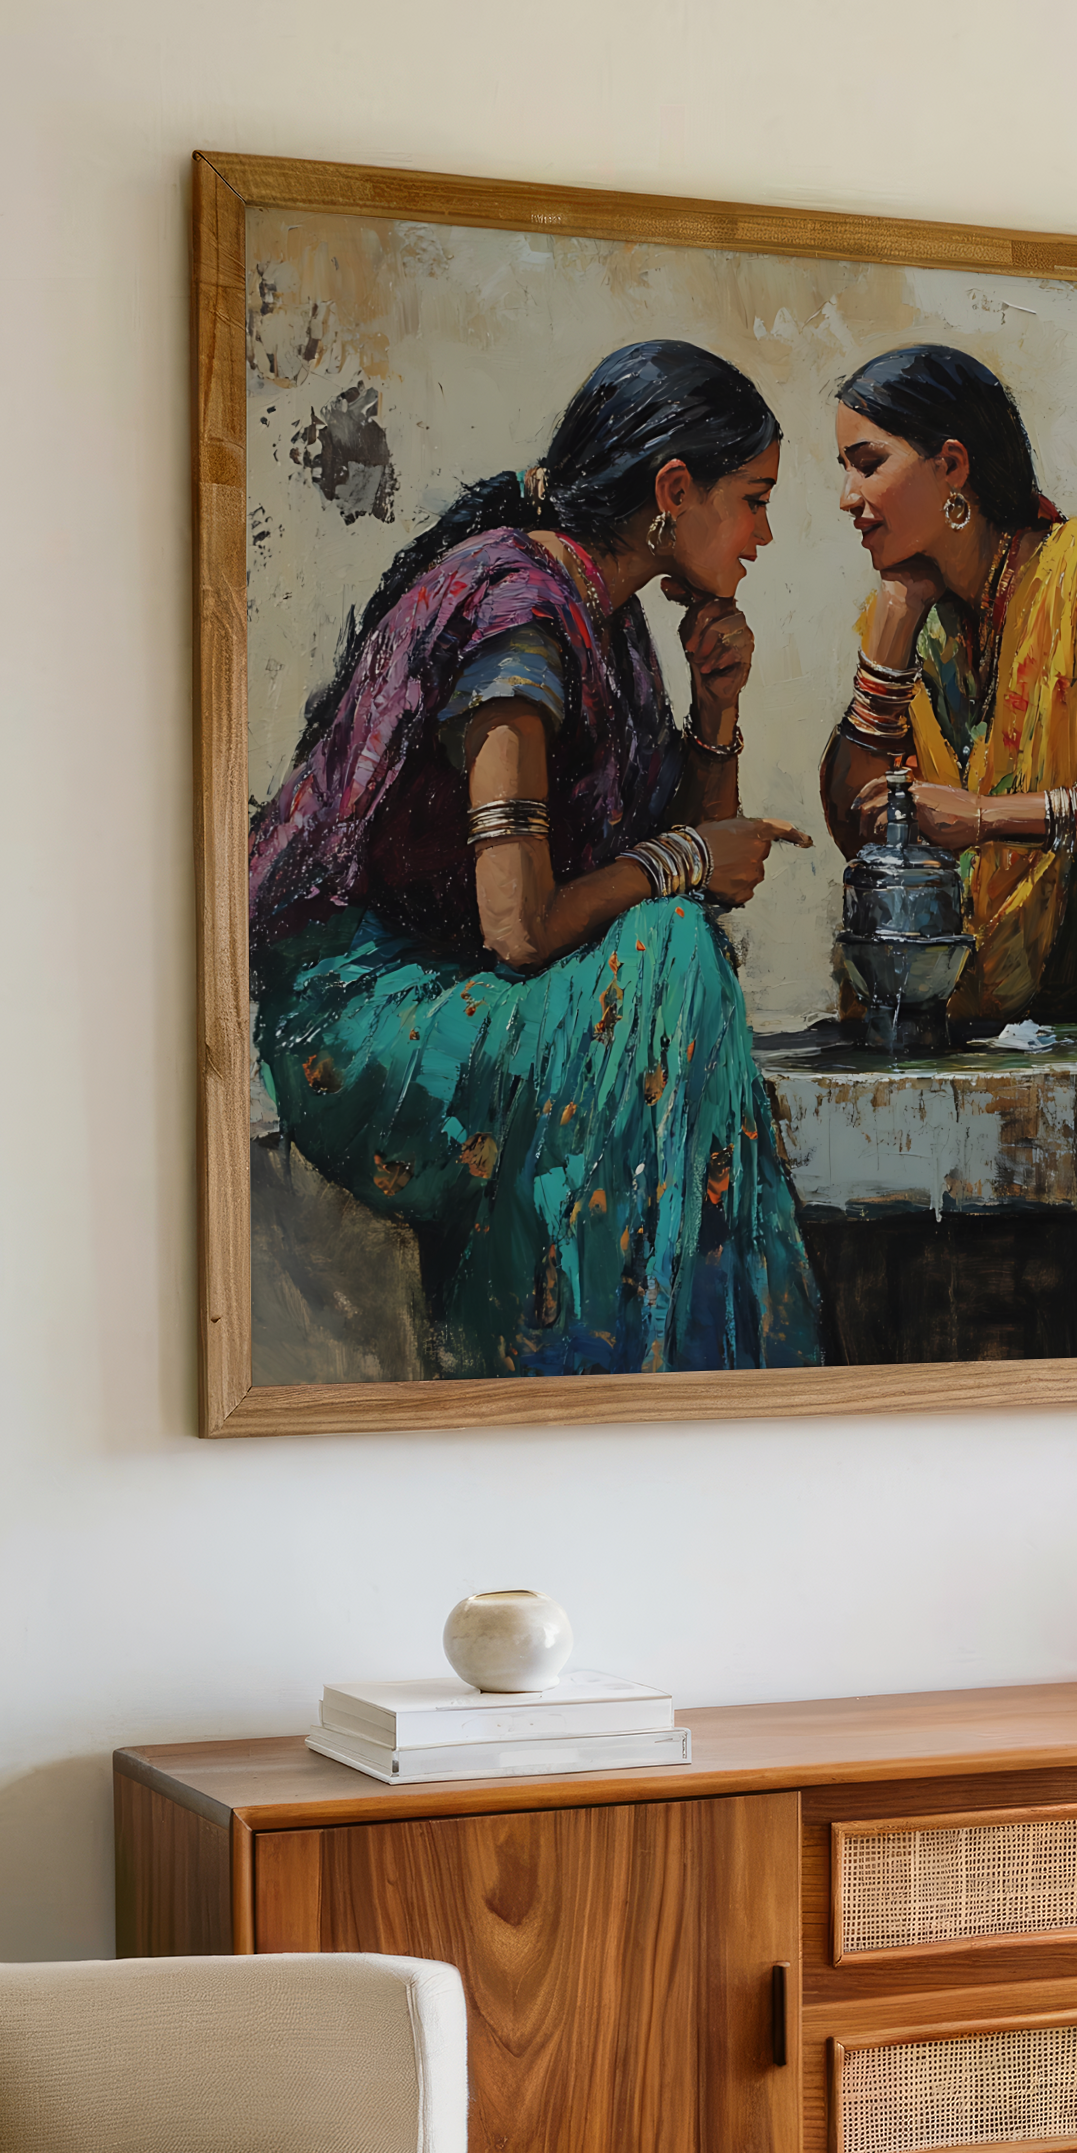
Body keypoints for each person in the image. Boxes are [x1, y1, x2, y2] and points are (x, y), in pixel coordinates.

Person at [248, 339, 825, 1376]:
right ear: (672, 488)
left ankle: (670, 1379)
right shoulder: (517, 611)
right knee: (669, 947)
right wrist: (690, 857)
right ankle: (615, 1375)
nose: (765, 534)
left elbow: (660, 865)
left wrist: (717, 710)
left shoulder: (610, 618)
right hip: (371, 1015)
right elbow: (520, 927)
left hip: (467, 984)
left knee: (672, 939)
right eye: (753, 499)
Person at [819, 344, 1077, 1027]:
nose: (848, 499)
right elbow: (858, 831)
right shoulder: (907, 617)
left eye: (868, 465)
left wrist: (988, 821)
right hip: (964, 1019)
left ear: (952, 466)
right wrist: (889, 644)